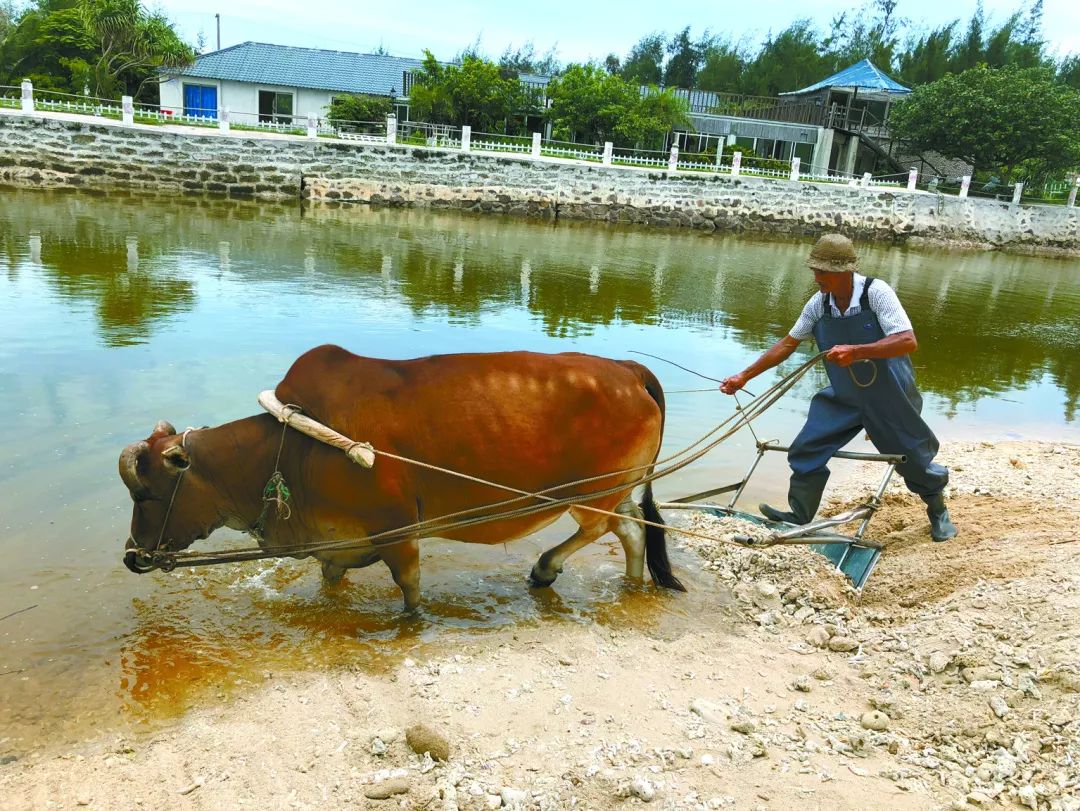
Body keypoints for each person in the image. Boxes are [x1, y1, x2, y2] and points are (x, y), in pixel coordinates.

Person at [719, 233, 957, 542]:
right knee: (807, 447)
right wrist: (744, 376)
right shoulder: (819, 304)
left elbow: (907, 341)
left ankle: (938, 512)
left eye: (823, 271)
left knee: (913, 459)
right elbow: (788, 344)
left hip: (890, 397)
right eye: (814, 270)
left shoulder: (876, 293)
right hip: (845, 397)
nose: (817, 277)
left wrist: (856, 351)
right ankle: (799, 515)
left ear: (845, 270)